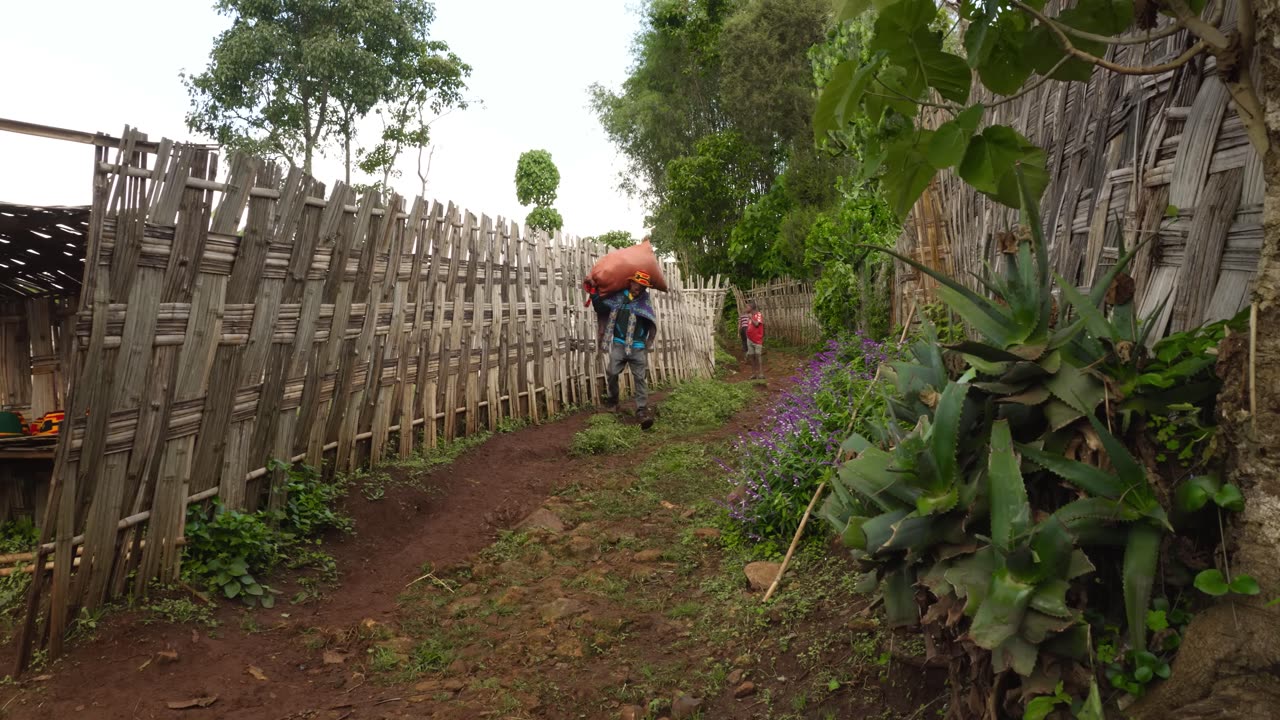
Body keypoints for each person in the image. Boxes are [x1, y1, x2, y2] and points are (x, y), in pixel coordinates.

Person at [592, 271, 659, 429]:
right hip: (619, 344)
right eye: (637, 285)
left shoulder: (644, 301)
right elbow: (599, 305)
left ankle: (641, 411)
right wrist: (594, 290)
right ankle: (613, 402)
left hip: (637, 346)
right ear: (630, 283)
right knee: (612, 372)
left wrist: (648, 341)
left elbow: (651, 321)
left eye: (643, 286)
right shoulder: (618, 298)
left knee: (640, 378)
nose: (639, 288)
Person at [745, 301, 765, 379]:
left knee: (758, 355)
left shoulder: (758, 315)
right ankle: (754, 374)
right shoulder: (750, 316)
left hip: (757, 340)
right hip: (749, 339)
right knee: (751, 356)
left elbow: (757, 324)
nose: (746, 308)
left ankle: (761, 373)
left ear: (751, 308)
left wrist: (751, 318)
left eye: (747, 307)